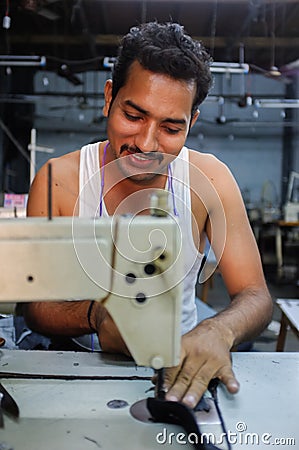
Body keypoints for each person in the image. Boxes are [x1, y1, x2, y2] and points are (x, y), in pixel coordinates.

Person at [24, 21, 273, 409]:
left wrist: (218, 330)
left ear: (192, 122)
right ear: (109, 98)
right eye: (134, 115)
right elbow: (33, 307)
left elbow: (255, 295)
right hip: (75, 365)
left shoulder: (210, 180)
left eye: (171, 127)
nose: (146, 143)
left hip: (177, 366)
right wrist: (97, 317)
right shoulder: (59, 181)